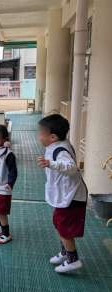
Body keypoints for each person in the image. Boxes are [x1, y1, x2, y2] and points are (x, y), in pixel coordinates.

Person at [37, 114, 87, 273]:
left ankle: (73, 260)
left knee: (64, 228)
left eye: (41, 133)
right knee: (59, 223)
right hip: (67, 195)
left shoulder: (60, 150)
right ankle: (66, 252)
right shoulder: (57, 145)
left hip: (72, 196)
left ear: (53, 137)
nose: (38, 136)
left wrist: (50, 163)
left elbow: (71, 167)